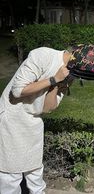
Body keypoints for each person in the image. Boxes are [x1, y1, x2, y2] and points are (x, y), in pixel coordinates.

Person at [0, 46, 74, 194]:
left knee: (35, 170)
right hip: (12, 117)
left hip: (33, 121)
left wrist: (57, 85)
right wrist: (53, 79)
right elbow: (18, 90)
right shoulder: (43, 55)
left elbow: (47, 108)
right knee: (10, 173)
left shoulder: (70, 75)